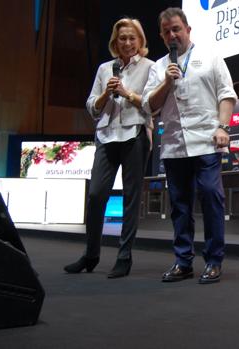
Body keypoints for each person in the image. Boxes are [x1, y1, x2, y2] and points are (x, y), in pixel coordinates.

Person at [143, 8, 237, 284]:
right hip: (174, 144)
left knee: (211, 196)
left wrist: (223, 127)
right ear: (161, 36)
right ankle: (183, 261)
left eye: (176, 29)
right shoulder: (158, 67)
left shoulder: (210, 58)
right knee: (180, 206)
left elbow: (227, 94)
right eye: (167, 31)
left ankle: (213, 260)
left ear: (187, 29)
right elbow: (151, 105)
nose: (172, 35)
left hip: (207, 140)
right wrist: (166, 82)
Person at [64, 18, 154, 278]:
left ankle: (124, 257)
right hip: (106, 135)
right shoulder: (105, 68)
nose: (127, 43)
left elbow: (152, 104)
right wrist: (105, 95)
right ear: (115, 42)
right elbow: (92, 105)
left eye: (132, 38)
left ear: (140, 41)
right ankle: (91, 254)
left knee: (131, 198)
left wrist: (126, 93)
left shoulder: (150, 67)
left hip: (135, 133)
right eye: (122, 38)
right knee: (95, 195)